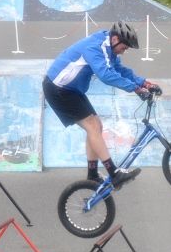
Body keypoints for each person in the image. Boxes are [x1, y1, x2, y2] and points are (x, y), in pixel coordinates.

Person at [43, 21, 161, 186]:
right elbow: (106, 75)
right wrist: (135, 89)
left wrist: (144, 83)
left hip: (71, 90)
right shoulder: (95, 47)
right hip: (58, 89)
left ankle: (92, 174)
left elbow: (119, 70)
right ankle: (113, 173)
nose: (124, 51)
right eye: (125, 47)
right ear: (115, 39)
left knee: (97, 126)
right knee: (92, 126)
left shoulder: (108, 47)